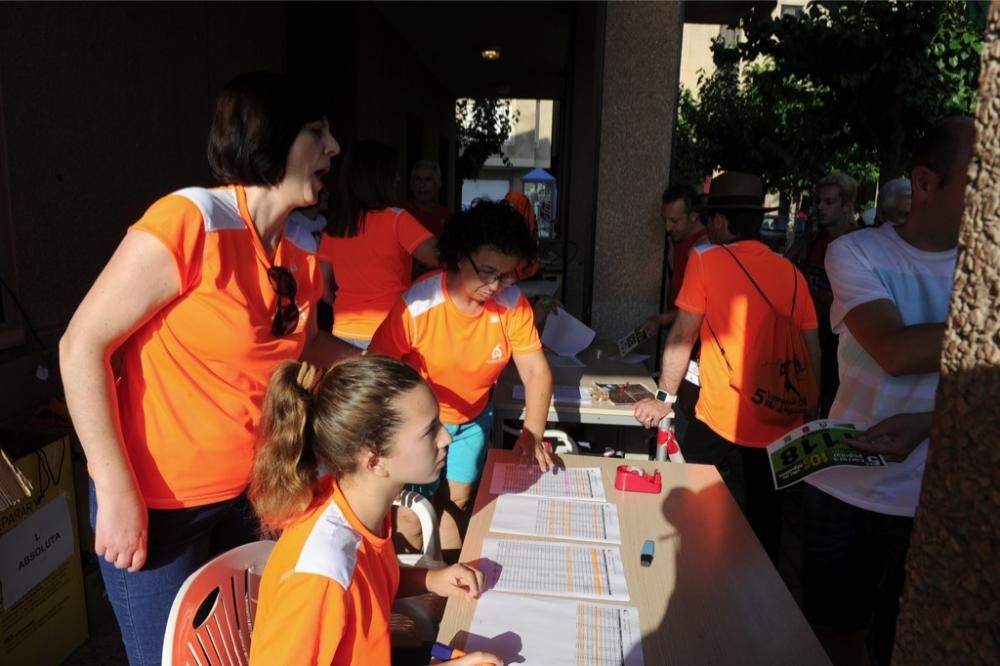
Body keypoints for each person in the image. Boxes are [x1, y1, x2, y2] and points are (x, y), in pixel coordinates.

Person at [58, 72, 358, 665]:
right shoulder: (192, 219)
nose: (334, 148)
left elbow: (307, 347)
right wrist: (115, 489)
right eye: (317, 132)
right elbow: (80, 345)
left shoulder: (299, 248)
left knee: (243, 652)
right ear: (271, 136)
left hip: (252, 498)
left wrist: (385, 368)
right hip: (158, 510)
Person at [800, 116, 974, 666]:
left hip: (938, 498)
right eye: (981, 180)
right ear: (925, 183)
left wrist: (927, 423)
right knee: (832, 636)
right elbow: (895, 352)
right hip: (846, 489)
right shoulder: (856, 253)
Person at [248, 357, 501, 666]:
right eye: (429, 430)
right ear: (374, 461)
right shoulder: (321, 575)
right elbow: (343, 584)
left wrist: (432, 579)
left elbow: (366, 585)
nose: (446, 438)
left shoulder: (357, 501)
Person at [631, 171, 820, 563]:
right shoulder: (793, 274)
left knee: (697, 520)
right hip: (780, 424)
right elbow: (811, 352)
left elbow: (684, 335)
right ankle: (756, 605)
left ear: (718, 220)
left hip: (722, 420)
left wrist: (664, 397)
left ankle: (704, 594)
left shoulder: (705, 259)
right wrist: (806, 413)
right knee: (765, 530)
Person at [370, 199, 554, 560]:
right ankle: (415, 592)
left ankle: (449, 591)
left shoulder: (513, 304)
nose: (495, 285)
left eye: (506, 274)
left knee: (457, 504)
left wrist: (532, 434)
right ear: (460, 255)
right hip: (418, 426)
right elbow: (376, 371)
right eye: (486, 272)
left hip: (471, 420)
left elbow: (536, 371)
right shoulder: (419, 304)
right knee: (410, 514)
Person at [320, 141, 438, 349]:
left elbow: (321, 288)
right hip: (389, 331)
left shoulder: (336, 226)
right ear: (380, 179)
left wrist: (342, 304)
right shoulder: (397, 220)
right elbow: (442, 257)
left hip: (342, 335)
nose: (399, 179)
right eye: (394, 173)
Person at [788, 172, 860, 417]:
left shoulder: (860, 243)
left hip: (842, 341)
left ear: (847, 206)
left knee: (832, 406)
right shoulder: (814, 240)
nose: (820, 207)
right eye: (818, 201)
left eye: (829, 202)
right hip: (811, 333)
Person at [637, 185, 708, 338]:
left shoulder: (704, 247)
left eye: (674, 221)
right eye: (664, 220)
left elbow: (700, 306)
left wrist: (661, 320)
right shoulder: (677, 241)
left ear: (694, 216)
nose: (667, 227)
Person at [404, 159, 452, 239]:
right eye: (418, 179)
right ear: (412, 183)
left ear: (438, 184)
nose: (422, 185)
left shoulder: (446, 215)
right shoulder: (402, 211)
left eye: (428, 180)